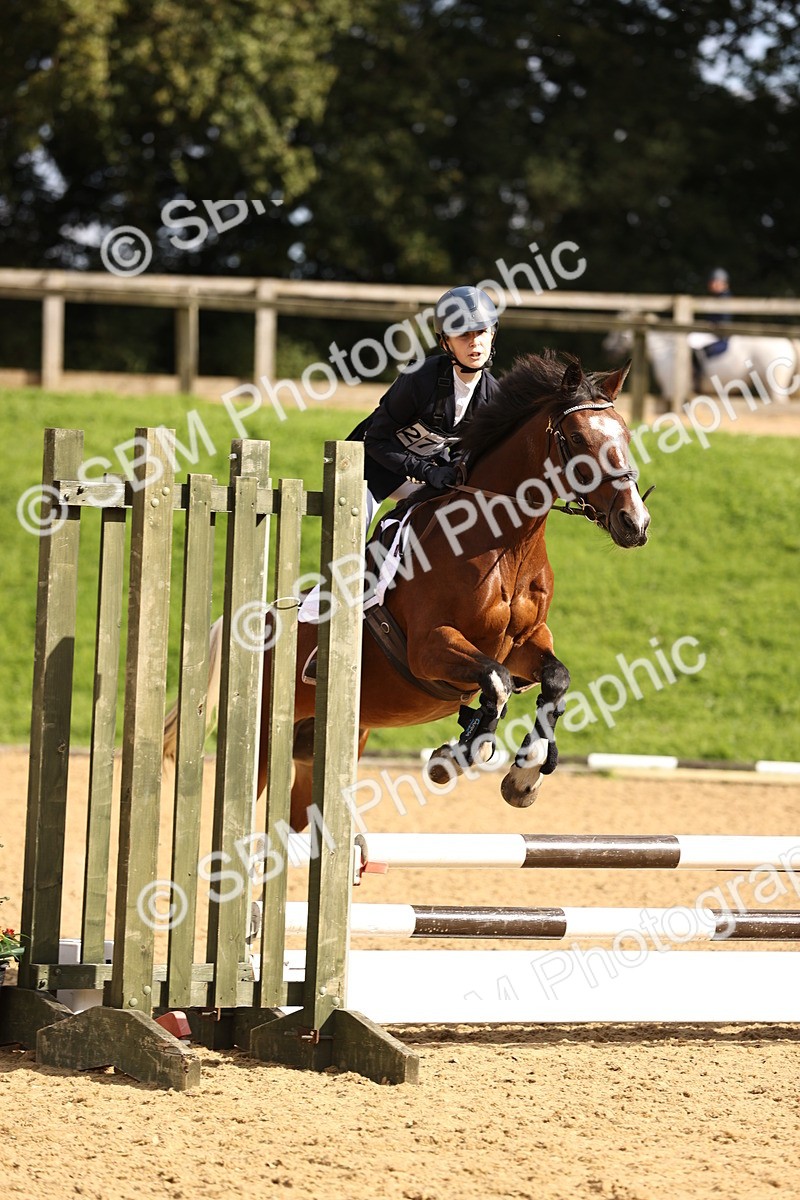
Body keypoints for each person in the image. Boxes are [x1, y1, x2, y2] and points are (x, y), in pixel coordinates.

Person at [348, 285, 501, 527]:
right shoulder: (419, 379)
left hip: (418, 474)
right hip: (367, 469)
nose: (475, 343)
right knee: (351, 536)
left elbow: (463, 446)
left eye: (481, 332)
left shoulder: (492, 394)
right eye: (463, 335)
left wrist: (454, 468)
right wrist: (427, 471)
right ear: (445, 342)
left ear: (492, 334)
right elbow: (376, 441)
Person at [689, 268, 732, 389]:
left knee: (692, 342)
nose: (713, 284)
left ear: (724, 283)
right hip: (712, 332)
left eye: (716, 281)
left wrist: (710, 326)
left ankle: (698, 375)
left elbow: (722, 321)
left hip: (718, 335)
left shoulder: (724, 298)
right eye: (712, 281)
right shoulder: (716, 298)